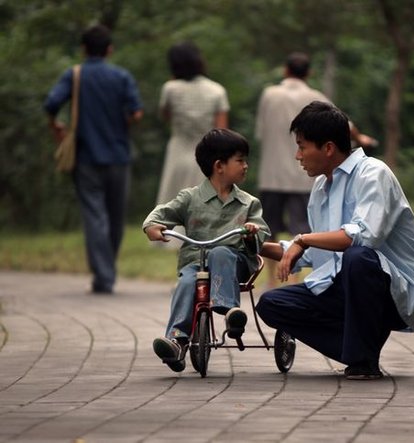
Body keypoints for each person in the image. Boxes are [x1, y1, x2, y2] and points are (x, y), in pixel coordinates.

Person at [257, 101, 414, 380]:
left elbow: (363, 237)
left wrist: (303, 239)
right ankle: (358, 347)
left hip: (392, 290)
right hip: (345, 286)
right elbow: (314, 252)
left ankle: (363, 360)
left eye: (302, 146)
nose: (297, 156)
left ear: (327, 148)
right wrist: (254, 245)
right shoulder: (321, 186)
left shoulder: (373, 173)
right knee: (271, 304)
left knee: (357, 257)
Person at [143, 128, 270, 372]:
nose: (246, 166)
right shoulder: (190, 198)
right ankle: (177, 341)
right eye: (240, 160)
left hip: (235, 263)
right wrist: (152, 226)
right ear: (219, 166)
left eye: (246, 160)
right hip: (196, 264)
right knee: (186, 283)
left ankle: (229, 311)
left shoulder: (248, 203)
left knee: (220, 252)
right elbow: (161, 213)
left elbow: (261, 236)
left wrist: (253, 230)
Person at [255, 52, 377, 287]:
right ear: (309, 73)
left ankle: (271, 279)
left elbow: (260, 131)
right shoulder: (316, 97)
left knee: (269, 226)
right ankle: (293, 279)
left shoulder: (269, 95)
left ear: (285, 71)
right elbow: (342, 124)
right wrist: (360, 137)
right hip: (302, 178)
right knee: (300, 226)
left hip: (271, 172)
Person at [44, 24, 144, 294]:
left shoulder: (74, 75)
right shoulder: (121, 77)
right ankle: (106, 271)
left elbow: (51, 103)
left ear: (83, 49)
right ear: (109, 49)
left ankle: (104, 275)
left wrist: (57, 127)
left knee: (94, 217)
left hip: (86, 157)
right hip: (119, 156)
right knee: (115, 217)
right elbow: (136, 113)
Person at [156, 41, 230, 206]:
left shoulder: (170, 88)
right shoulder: (217, 90)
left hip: (178, 150)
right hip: (206, 153)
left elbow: (165, 115)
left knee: (173, 199)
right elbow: (222, 131)